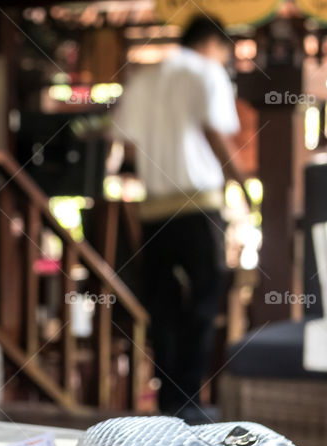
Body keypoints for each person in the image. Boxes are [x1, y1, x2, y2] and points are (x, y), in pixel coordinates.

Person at [112, 15, 246, 423]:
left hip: (153, 209)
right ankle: (190, 400)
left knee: (163, 306)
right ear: (214, 43)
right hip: (198, 204)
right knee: (204, 302)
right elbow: (214, 132)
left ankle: (170, 401)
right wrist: (240, 181)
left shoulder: (145, 78)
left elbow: (126, 145)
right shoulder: (207, 72)